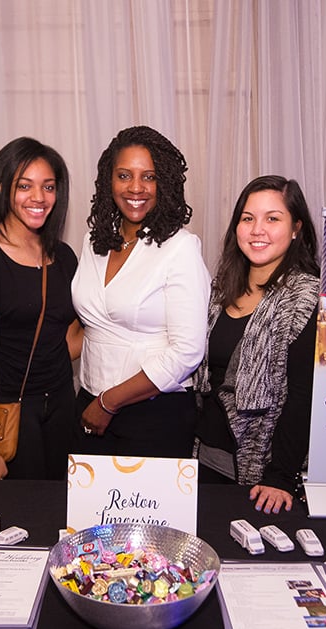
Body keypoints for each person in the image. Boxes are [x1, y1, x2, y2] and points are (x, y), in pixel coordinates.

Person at [71, 126, 210, 457]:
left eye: (149, 177)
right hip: (89, 403)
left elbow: (187, 351)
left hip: (154, 414)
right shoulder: (94, 243)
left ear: (165, 183)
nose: (136, 187)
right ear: (109, 181)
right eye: (124, 175)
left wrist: (109, 402)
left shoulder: (181, 247)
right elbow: (89, 326)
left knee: (144, 510)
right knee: (84, 509)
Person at [194, 175, 321, 514]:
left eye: (272, 218)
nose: (257, 229)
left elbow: (302, 396)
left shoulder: (305, 296)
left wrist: (280, 476)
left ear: (296, 228)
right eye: (247, 218)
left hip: (263, 475)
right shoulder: (221, 288)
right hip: (206, 459)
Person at [0, 137, 79, 480]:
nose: (39, 198)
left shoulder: (64, 257)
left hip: (61, 406)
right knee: (25, 521)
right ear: (2, 188)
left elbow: (66, 343)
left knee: (63, 512)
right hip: (11, 409)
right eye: (25, 186)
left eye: (49, 187)